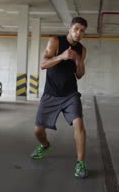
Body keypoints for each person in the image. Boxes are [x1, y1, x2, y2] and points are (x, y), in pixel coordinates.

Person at [30, 17, 88, 178]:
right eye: (76, 29)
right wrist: (61, 56)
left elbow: (80, 75)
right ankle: (45, 145)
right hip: (51, 94)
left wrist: (78, 61)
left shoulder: (82, 50)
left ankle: (81, 164)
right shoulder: (55, 41)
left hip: (70, 94)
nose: (78, 33)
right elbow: (43, 64)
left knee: (79, 125)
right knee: (38, 131)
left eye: (82, 31)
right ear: (69, 28)